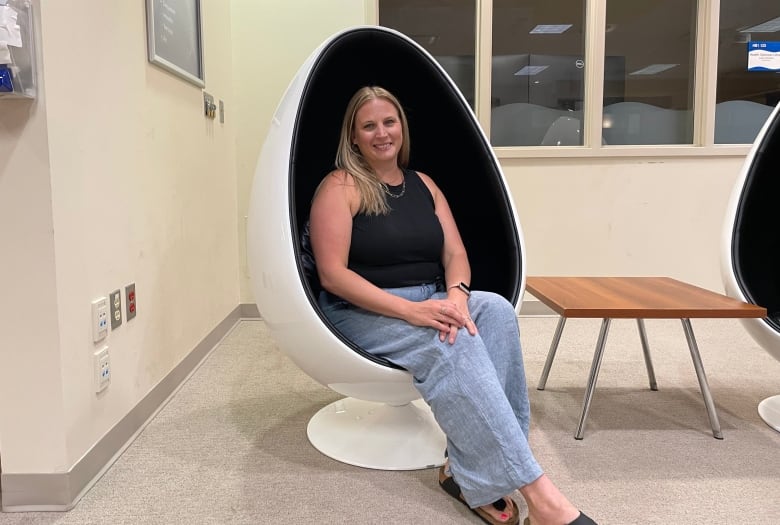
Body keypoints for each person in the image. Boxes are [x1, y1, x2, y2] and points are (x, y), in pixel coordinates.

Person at [308, 85, 596, 525]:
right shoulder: (339, 186)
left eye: (390, 122)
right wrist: (411, 311)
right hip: (364, 310)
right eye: (369, 125)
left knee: (495, 312)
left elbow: (455, 254)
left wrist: (456, 296)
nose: (381, 133)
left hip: (433, 297)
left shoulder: (424, 184)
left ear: (402, 126)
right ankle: (541, 497)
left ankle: (470, 474)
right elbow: (333, 275)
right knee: (449, 343)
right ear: (353, 136)